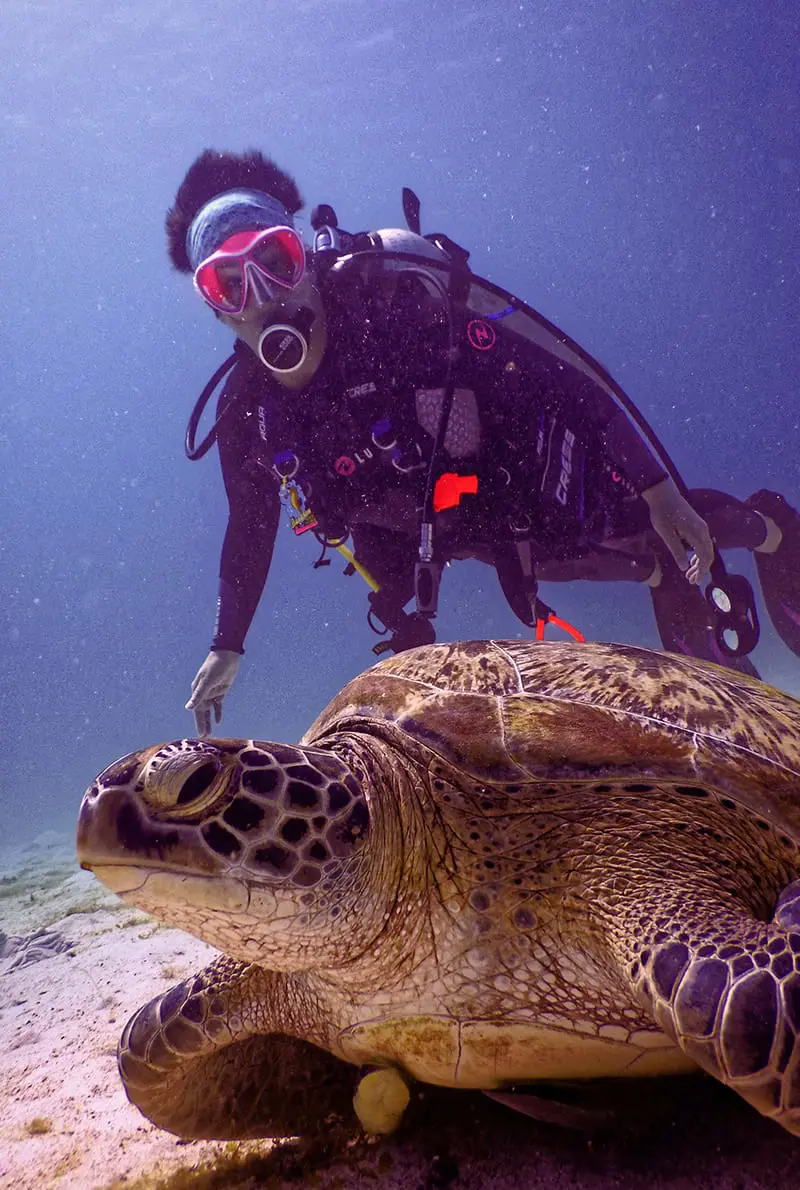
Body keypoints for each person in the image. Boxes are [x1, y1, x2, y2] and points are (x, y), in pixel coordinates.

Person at [165, 148, 800, 735]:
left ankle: (771, 529)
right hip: (449, 531)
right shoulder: (248, 414)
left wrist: (660, 490)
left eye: (276, 263)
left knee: (648, 527)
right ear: (215, 309)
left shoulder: (395, 314)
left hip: (517, 478)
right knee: (647, 562)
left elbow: (563, 380)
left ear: (304, 256)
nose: (263, 299)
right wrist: (228, 642)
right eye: (230, 285)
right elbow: (250, 523)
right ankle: (678, 579)